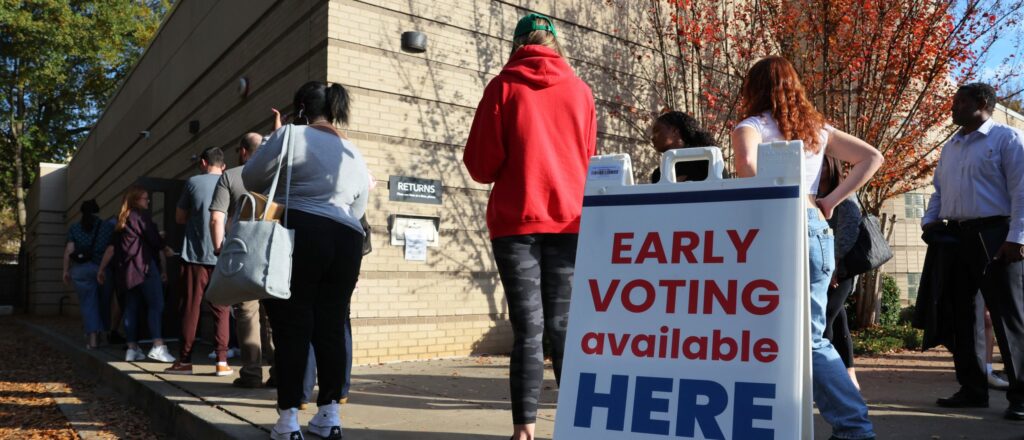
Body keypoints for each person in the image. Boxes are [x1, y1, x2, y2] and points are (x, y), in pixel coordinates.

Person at [731, 56, 881, 440]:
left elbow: (746, 167)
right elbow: (872, 157)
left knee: (790, 334)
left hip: (772, 231)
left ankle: (853, 426)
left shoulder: (751, 127)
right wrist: (830, 200)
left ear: (754, 88)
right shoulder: (817, 130)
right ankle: (812, 420)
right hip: (815, 225)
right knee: (801, 333)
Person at [463, 13, 596, 440]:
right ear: (556, 44)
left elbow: (481, 167)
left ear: (517, 44)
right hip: (569, 220)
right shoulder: (581, 92)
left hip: (517, 222)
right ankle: (578, 425)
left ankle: (524, 433)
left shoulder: (502, 88)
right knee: (563, 326)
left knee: (529, 329)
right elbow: (587, 156)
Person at [243, 81, 369, 440]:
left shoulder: (291, 135)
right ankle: (329, 416)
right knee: (331, 325)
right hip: (346, 239)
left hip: (301, 232)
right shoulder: (352, 151)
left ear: (300, 109)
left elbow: (251, 177)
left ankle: (287, 422)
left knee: (292, 325)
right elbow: (358, 207)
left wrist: (276, 143)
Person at [923, 82, 1024, 420]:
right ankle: (972, 389)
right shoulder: (951, 146)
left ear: (981, 102)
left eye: (960, 101)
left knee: (1008, 316)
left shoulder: (1006, 139)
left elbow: (1022, 190)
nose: (953, 106)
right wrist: (930, 222)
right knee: (962, 316)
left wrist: (1018, 237)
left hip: (997, 234)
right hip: (956, 237)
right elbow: (938, 189)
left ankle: (1021, 396)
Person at [210, 132, 276, 388]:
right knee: (272, 313)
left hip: (242, 252)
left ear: (243, 151)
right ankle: (279, 372)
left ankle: (251, 373)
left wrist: (218, 249)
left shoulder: (231, 175)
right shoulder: (275, 176)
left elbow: (217, 217)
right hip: (271, 252)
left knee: (247, 312)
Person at [164, 146, 232, 377]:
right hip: (223, 255)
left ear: (203, 163)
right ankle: (222, 361)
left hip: (195, 255)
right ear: (223, 166)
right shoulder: (230, 181)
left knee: (191, 307)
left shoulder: (193, 182)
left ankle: (185, 360)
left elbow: (179, 217)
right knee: (222, 309)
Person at [97, 186, 176, 363]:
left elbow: (111, 249)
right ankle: (158, 345)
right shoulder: (140, 216)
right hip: (144, 269)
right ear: (135, 201)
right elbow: (153, 238)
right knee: (156, 304)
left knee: (131, 309)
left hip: (126, 273)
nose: (147, 201)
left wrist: (101, 269)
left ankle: (132, 349)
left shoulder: (121, 221)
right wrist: (165, 246)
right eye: (145, 198)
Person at [818, 156, 862, 389]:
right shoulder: (810, 193)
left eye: (824, 162)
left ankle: (828, 378)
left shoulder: (843, 193)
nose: (820, 167)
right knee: (838, 321)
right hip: (820, 268)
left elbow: (848, 231)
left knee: (824, 320)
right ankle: (850, 375)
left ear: (833, 165)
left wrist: (833, 264)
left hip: (840, 270)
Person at [62, 199, 114, 349]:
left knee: (88, 304)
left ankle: (92, 340)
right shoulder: (106, 227)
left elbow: (69, 251)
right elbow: (111, 249)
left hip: (81, 270)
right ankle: (103, 332)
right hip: (102, 269)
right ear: (97, 211)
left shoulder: (74, 228)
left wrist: (65, 270)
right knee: (104, 302)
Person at [648, 111, 717, 183]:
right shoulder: (659, 174)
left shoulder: (707, 163)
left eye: (657, 131)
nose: (652, 138)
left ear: (675, 131)